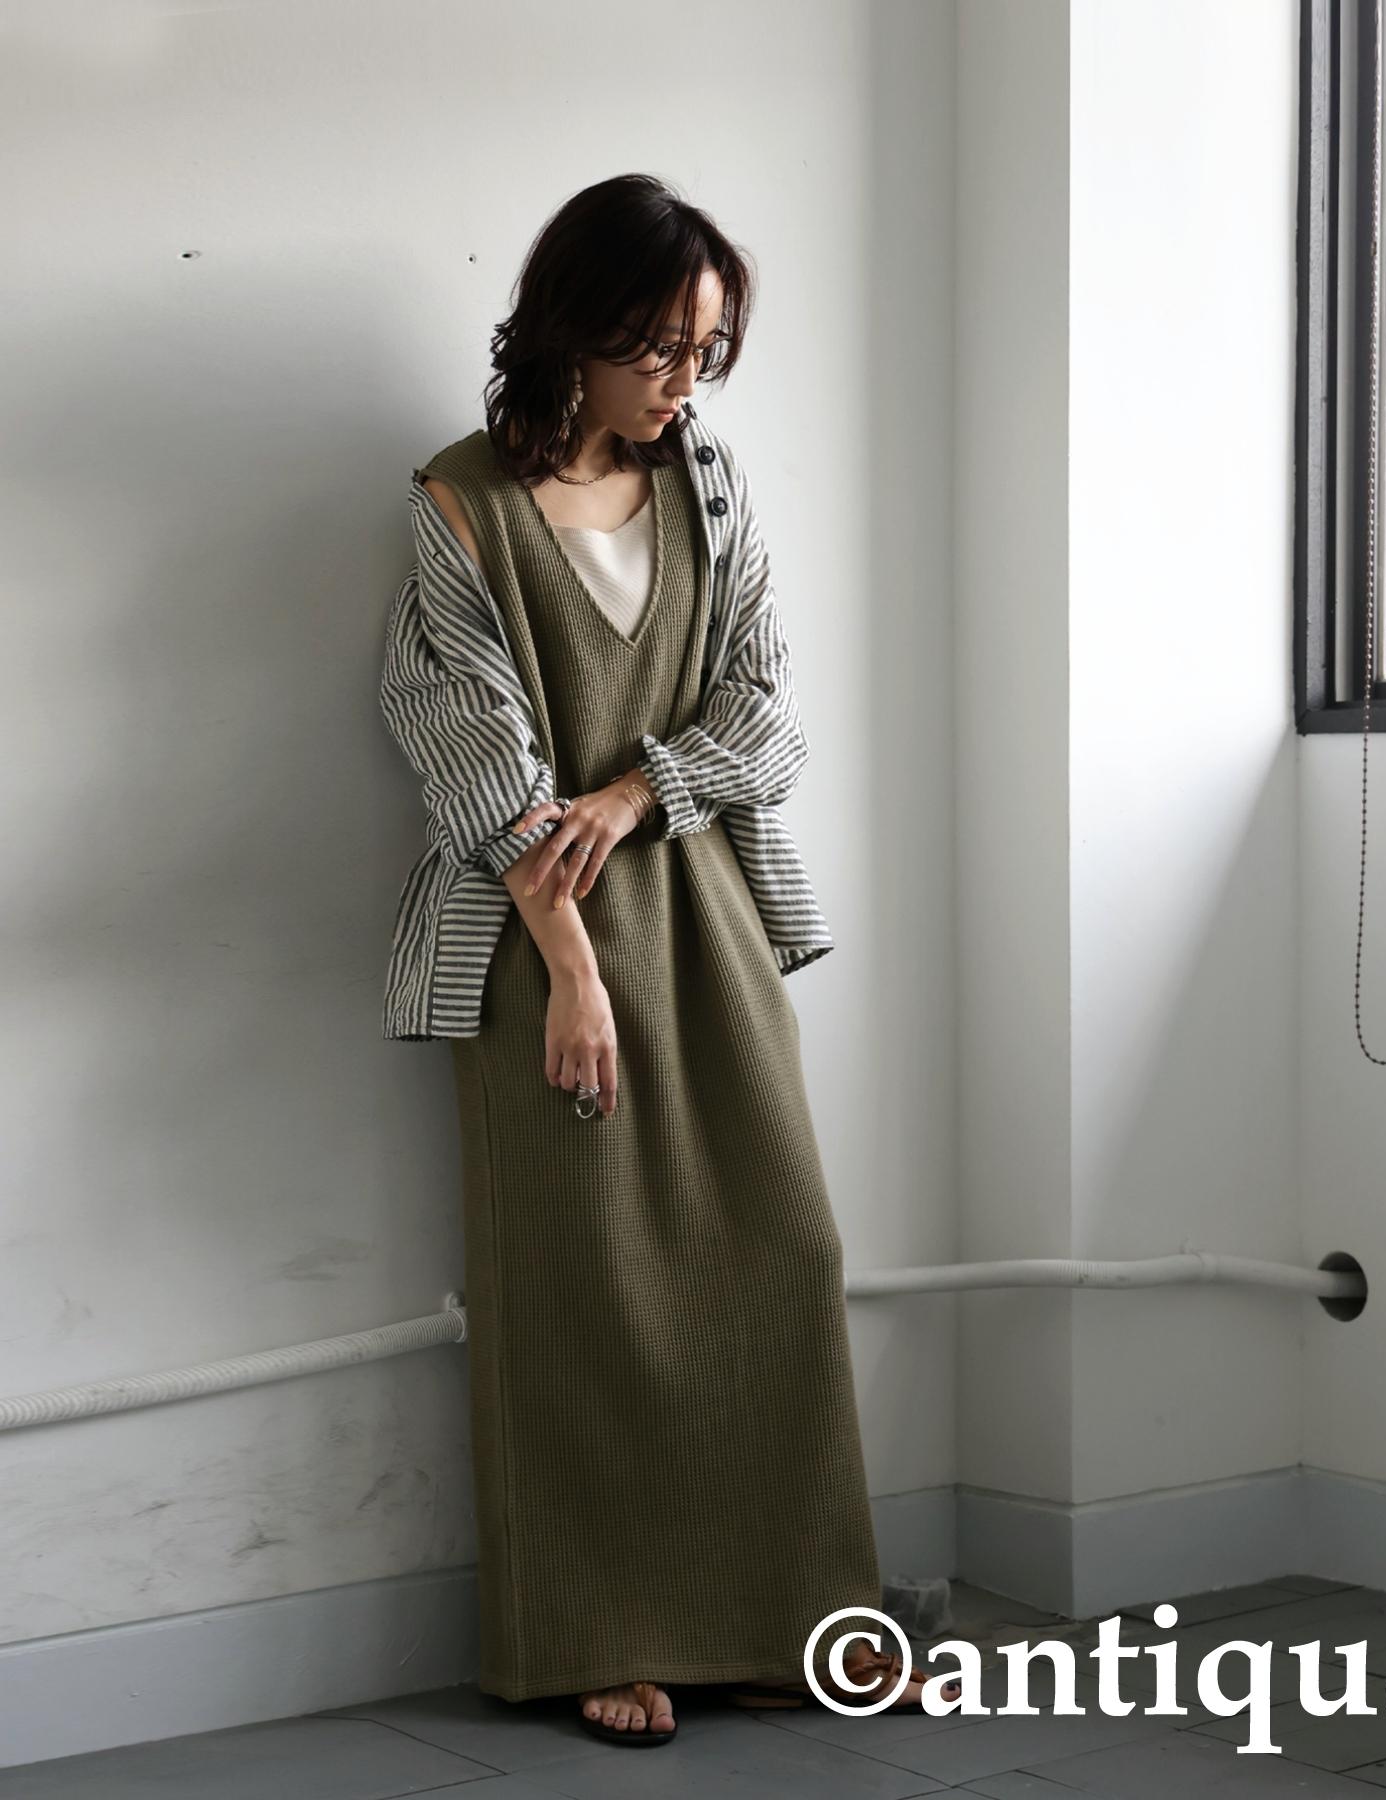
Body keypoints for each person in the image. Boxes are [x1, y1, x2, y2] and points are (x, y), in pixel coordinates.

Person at [379, 172, 959, 1747]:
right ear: (576, 329)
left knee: (784, 1255)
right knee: (583, 1282)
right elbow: (471, 755)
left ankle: (788, 1625)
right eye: (660, 348)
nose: (685, 381)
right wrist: (571, 971)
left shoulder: (710, 483)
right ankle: (593, 1633)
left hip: (707, 911)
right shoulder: (458, 504)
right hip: (538, 941)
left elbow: (767, 712)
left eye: (707, 351)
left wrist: (640, 792)